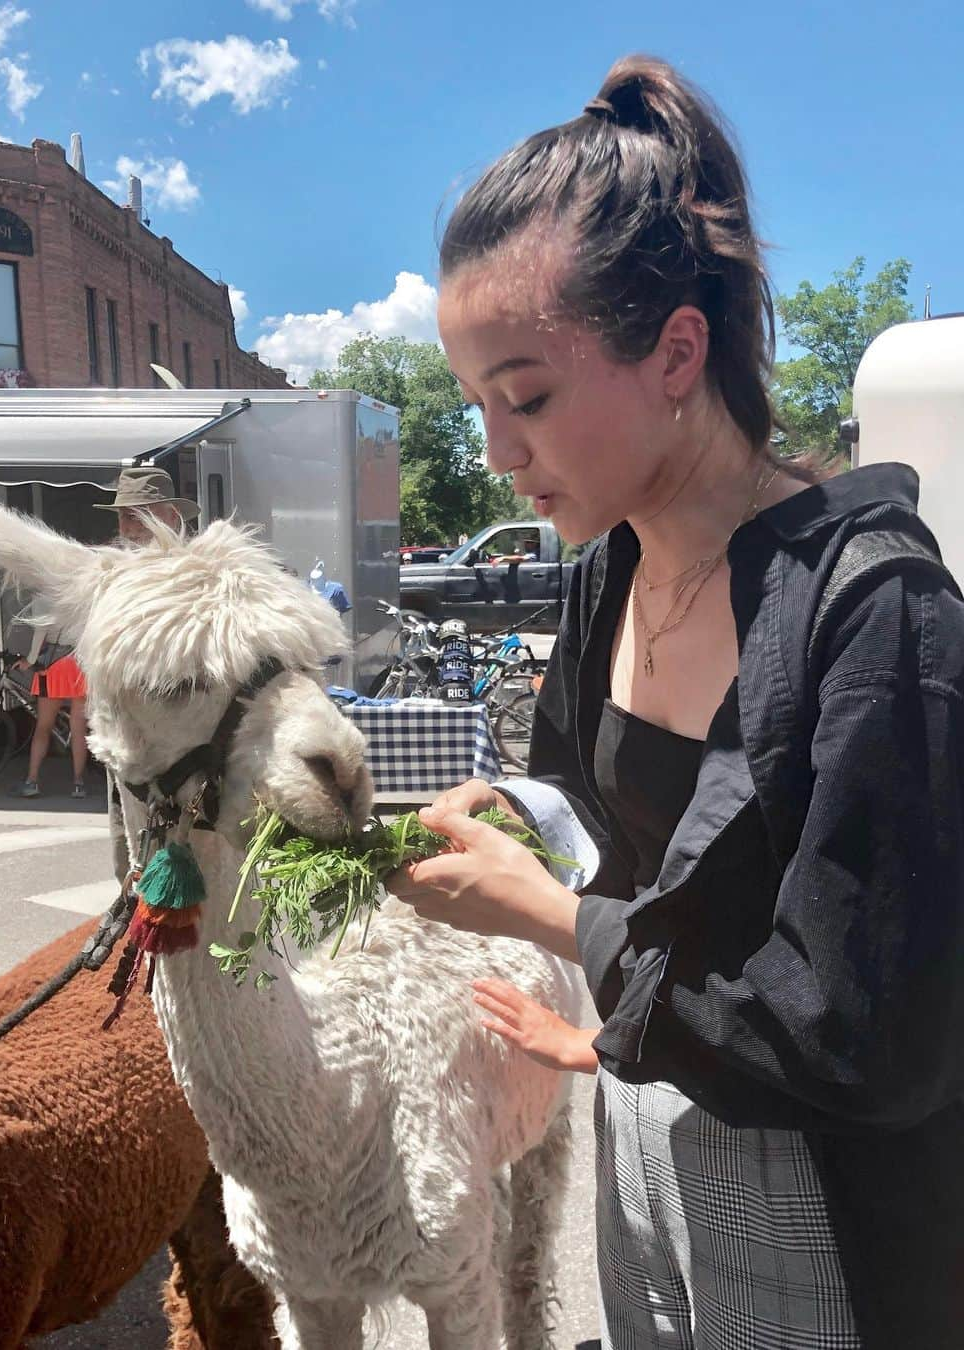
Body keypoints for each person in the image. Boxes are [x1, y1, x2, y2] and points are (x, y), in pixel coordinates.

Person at [386, 55, 964, 1350]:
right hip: (638, 1123)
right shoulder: (607, 576)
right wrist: (515, 810)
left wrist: (543, 909)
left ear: (677, 350)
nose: (495, 453)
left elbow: (871, 1042)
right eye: (478, 405)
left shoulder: (880, 615)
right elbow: (599, 813)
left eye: (526, 396)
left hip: (813, 1188)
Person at [94, 466, 200, 879]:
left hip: (190, 740)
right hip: (128, 732)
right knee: (130, 850)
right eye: (124, 516)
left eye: (140, 515)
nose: (129, 527)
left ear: (171, 516)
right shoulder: (112, 572)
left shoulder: (198, 570)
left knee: (199, 848)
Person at [8, 625, 89, 798]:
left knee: (43, 726)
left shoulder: (48, 600)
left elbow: (41, 632)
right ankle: (78, 784)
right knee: (79, 729)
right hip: (81, 664)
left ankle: (32, 781)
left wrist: (29, 660)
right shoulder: (86, 600)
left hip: (53, 666)